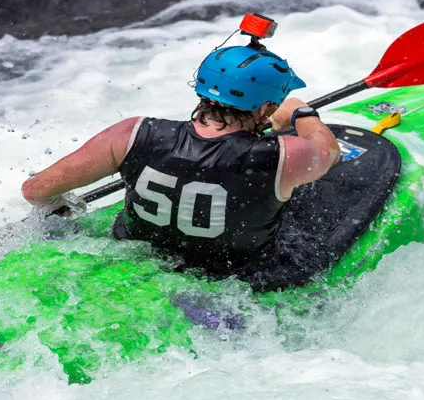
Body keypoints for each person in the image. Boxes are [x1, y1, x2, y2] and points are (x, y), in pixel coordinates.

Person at [21, 44, 341, 291]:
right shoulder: (284, 156)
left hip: (134, 258)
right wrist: (303, 113)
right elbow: (328, 152)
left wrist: (60, 210)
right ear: (266, 107)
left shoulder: (133, 133)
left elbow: (35, 191)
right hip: (234, 281)